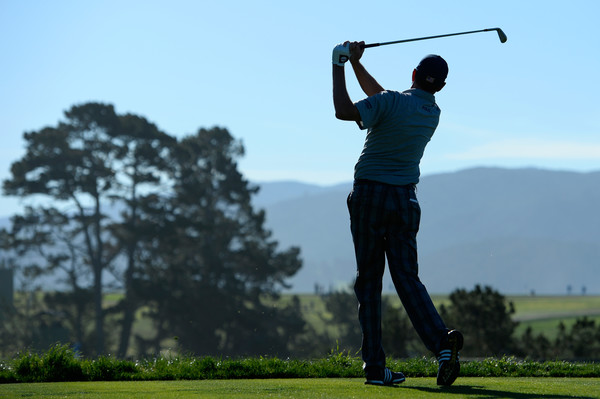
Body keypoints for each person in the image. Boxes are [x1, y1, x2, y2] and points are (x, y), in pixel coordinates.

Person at [332, 41, 463, 386]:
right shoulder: (430, 113)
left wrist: (338, 65)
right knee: (407, 278)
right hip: (406, 202)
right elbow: (384, 98)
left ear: (414, 75)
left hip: (369, 197)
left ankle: (375, 367)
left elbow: (344, 111)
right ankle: (441, 344)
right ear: (441, 87)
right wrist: (357, 64)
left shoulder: (391, 103)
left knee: (370, 282)